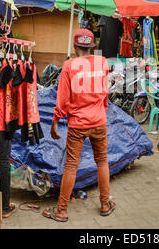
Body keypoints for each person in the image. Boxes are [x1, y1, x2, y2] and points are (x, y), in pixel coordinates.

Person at [43, 28, 115, 222]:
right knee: (102, 161)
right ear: (92, 46)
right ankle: (106, 204)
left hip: (78, 124)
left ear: (75, 46)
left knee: (71, 165)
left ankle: (62, 210)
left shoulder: (69, 66)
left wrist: (55, 121)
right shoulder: (103, 62)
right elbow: (106, 93)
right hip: (99, 120)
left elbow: (63, 99)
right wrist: (101, 109)